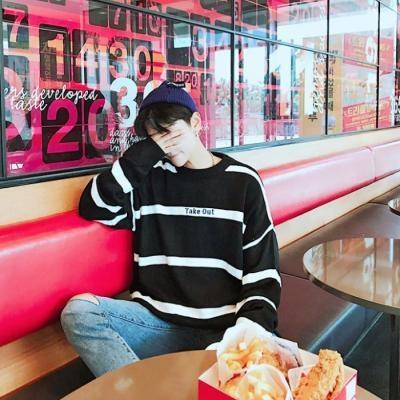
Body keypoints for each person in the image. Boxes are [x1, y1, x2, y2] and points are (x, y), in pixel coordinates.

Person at [60, 81, 281, 377]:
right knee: (79, 313)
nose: (164, 145)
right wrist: (146, 153)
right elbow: (94, 205)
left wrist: (242, 339)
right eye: (153, 137)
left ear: (196, 123)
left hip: (224, 330)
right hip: (157, 325)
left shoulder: (243, 183)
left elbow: (263, 274)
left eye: (169, 132)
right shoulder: (148, 179)